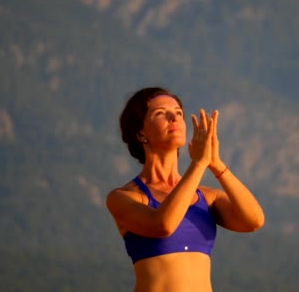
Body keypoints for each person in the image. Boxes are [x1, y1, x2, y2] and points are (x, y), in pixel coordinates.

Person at [106, 87, 265, 292]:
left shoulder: (206, 197)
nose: (174, 117)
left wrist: (216, 164)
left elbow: (254, 220)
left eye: (178, 113)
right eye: (160, 113)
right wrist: (198, 164)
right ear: (141, 133)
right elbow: (163, 225)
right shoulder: (124, 197)